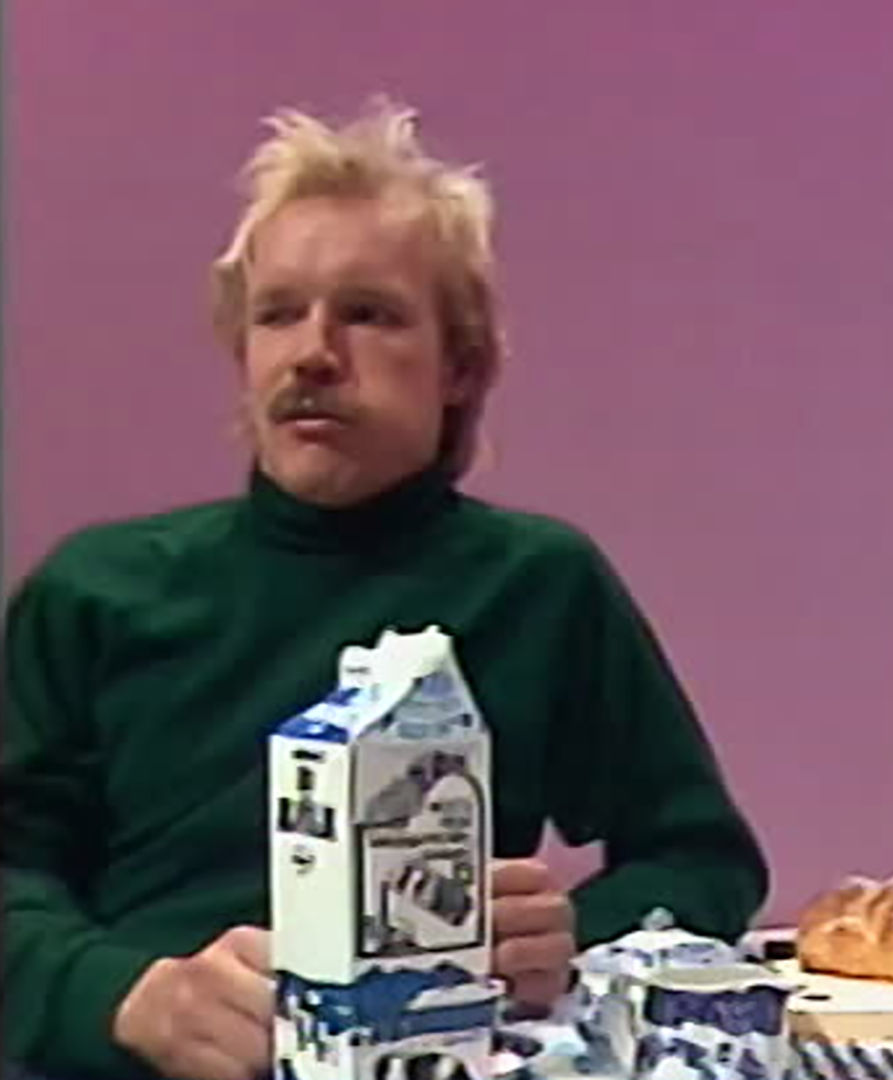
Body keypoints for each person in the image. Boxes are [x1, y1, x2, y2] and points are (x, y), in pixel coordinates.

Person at [1, 100, 768, 1080]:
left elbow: (704, 863)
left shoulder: (538, 585)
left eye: (368, 314)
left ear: (461, 366)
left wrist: (577, 934)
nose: (313, 353)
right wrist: (121, 997)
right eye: (278, 313)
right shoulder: (95, 591)